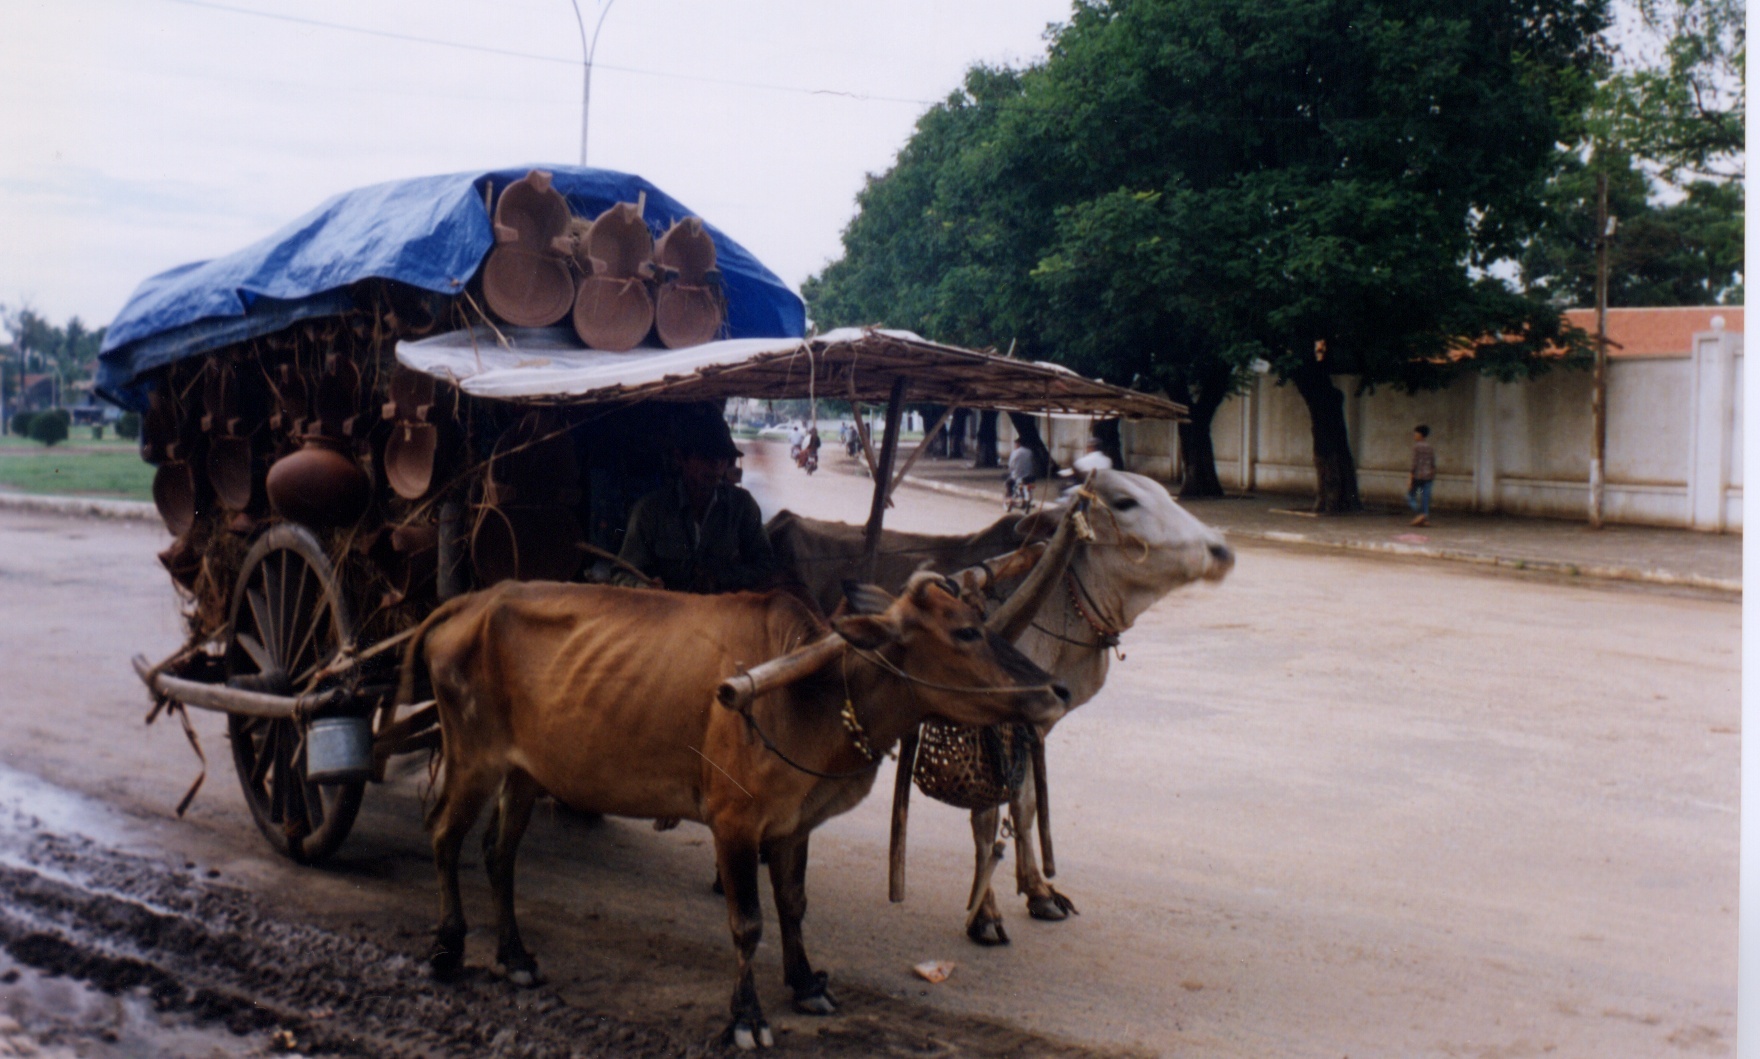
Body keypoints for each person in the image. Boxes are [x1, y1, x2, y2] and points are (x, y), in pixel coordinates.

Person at [614, 417, 779, 593]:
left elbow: (765, 565)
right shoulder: (649, 510)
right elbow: (622, 573)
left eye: (722, 457)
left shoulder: (742, 506)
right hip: (665, 614)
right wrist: (644, 588)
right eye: (705, 456)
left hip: (722, 612)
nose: (716, 465)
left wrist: (720, 579)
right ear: (680, 458)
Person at [1407, 424, 1436, 527]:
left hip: (1418, 476)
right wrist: (1432, 474)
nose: (1414, 435)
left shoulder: (1416, 447)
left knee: (1410, 496)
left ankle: (1420, 514)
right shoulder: (1430, 447)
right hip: (1428, 477)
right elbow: (1433, 463)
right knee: (1425, 498)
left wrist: (1410, 478)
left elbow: (1414, 464)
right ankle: (1425, 519)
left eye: (1416, 433)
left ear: (1420, 435)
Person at [1005, 436, 1038, 509]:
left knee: (1008, 483)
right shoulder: (1030, 452)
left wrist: (1011, 469)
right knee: (1028, 486)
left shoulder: (1015, 452)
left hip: (1017, 476)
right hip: (1029, 476)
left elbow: (1011, 465)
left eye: (1015, 444)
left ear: (1018, 444)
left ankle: (1010, 499)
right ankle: (1028, 499)